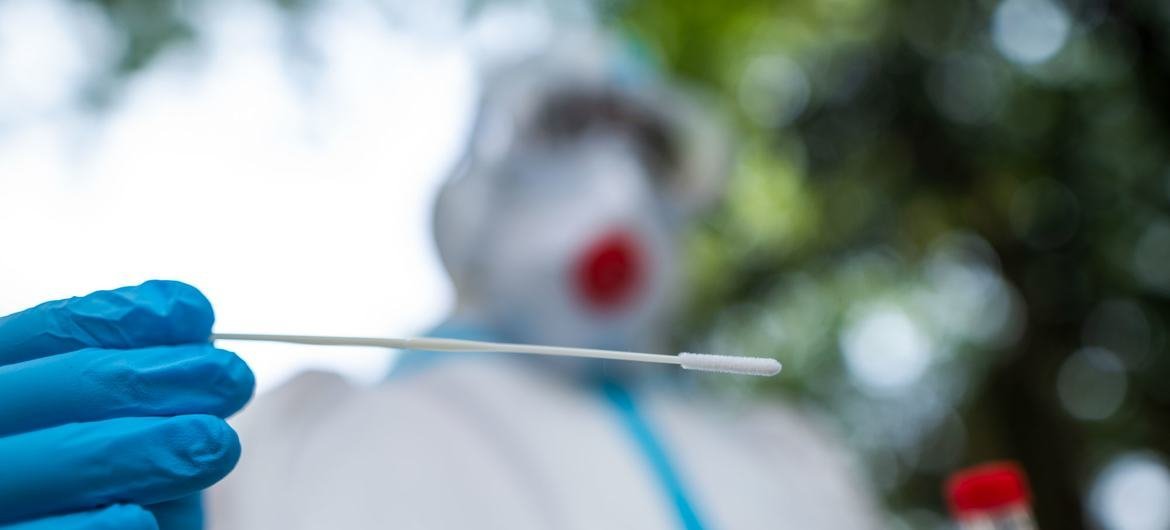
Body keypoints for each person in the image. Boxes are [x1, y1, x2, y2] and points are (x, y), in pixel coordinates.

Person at [0, 38, 882, 530]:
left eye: (649, 149)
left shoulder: (787, 464)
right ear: (471, 197)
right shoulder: (301, 439)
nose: (616, 180)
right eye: (567, 128)